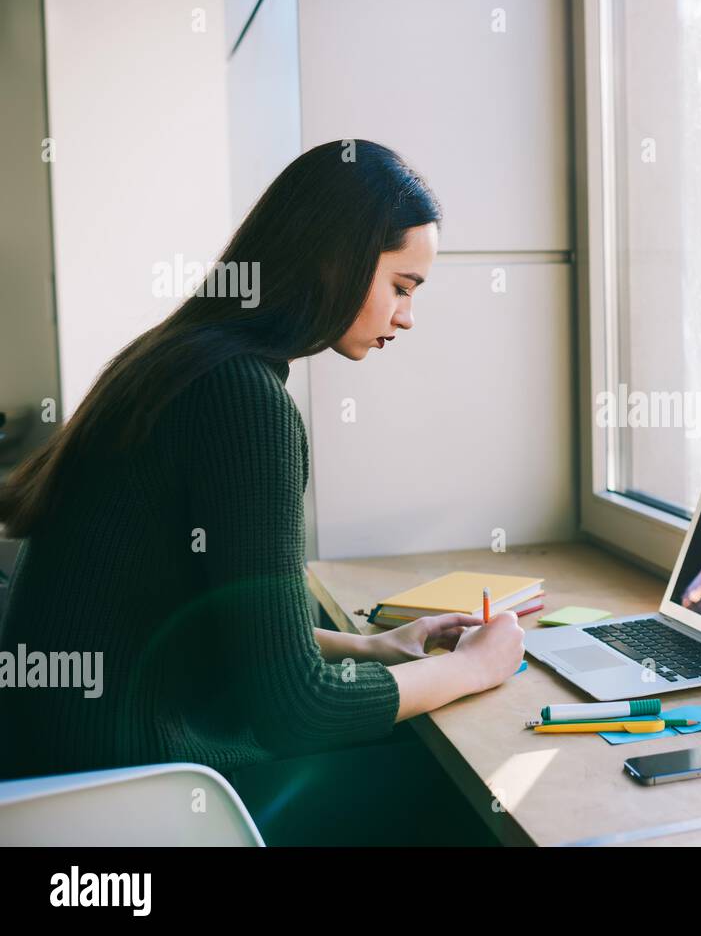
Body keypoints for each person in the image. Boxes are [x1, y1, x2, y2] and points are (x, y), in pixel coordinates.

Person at [0, 140, 525, 844]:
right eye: (402, 286)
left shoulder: (175, 359)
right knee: (470, 799)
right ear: (335, 259)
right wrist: (473, 668)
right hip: (139, 788)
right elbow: (297, 710)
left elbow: (207, 625)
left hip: (63, 766)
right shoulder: (243, 402)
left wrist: (372, 648)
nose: (406, 317)